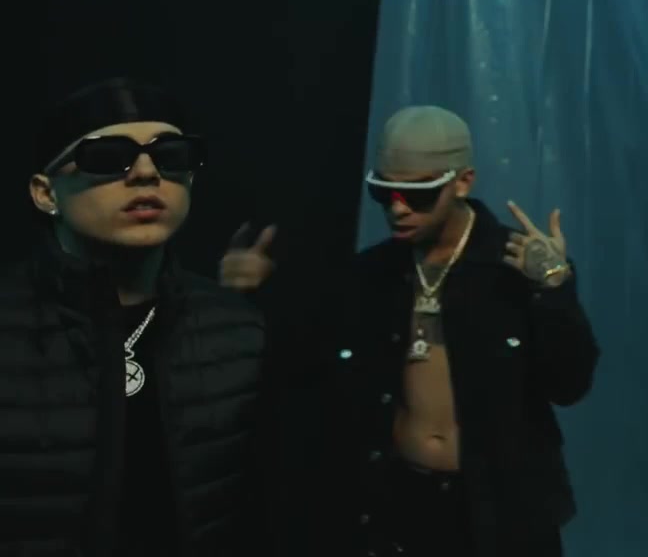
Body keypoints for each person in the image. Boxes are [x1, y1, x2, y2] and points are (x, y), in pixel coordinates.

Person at [223, 104, 599, 557]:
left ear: (463, 182)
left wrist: (553, 288)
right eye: (384, 193)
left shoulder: (518, 267)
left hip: (502, 514)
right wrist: (253, 292)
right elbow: (300, 368)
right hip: (398, 507)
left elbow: (569, 385)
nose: (398, 209)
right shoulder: (369, 275)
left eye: (419, 195)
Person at [0, 78, 271, 556]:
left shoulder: (240, 331)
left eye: (172, 156)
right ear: (46, 193)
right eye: (107, 157)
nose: (146, 172)